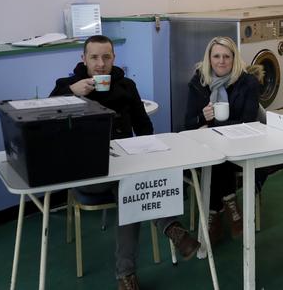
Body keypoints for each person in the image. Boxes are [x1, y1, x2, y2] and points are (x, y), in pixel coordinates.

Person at [50, 35, 200, 290]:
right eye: (94, 57)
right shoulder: (66, 86)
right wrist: (70, 93)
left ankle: (126, 277)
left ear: (114, 59)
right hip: (88, 174)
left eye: (106, 57)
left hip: (125, 167)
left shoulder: (126, 86)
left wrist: (150, 153)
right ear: (83, 58)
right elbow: (46, 120)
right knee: (131, 189)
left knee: (129, 188)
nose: (100, 64)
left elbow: (144, 127)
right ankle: (171, 228)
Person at [183, 36, 264, 243]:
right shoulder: (199, 82)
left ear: (234, 59)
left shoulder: (248, 82)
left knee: (220, 155)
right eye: (216, 56)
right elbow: (189, 124)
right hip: (209, 145)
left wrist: (212, 126)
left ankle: (213, 214)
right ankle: (230, 205)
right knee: (216, 155)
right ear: (209, 59)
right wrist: (203, 117)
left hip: (243, 143)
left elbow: (247, 122)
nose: (221, 61)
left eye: (227, 56)